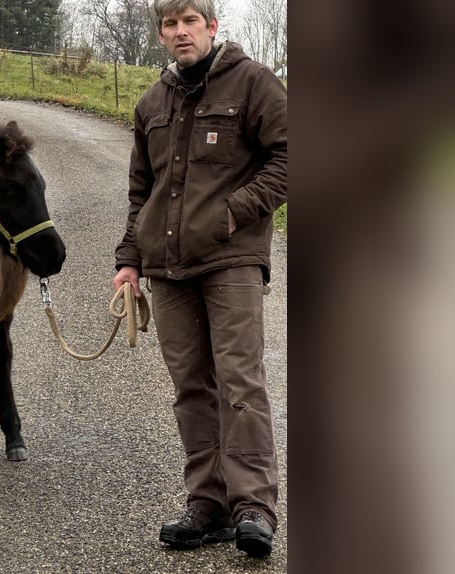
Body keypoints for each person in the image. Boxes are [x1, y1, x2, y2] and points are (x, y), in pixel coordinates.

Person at [113, 0, 287, 558]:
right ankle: (207, 504)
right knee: (191, 387)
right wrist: (129, 258)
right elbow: (142, 192)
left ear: (213, 27)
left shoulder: (254, 84)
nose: (180, 32)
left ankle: (254, 507)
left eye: (191, 21)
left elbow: (290, 157)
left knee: (240, 383)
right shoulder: (151, 102)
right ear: (161, 34)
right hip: (165, 269)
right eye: (170, 23)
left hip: (230, 260)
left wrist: (234, 211)